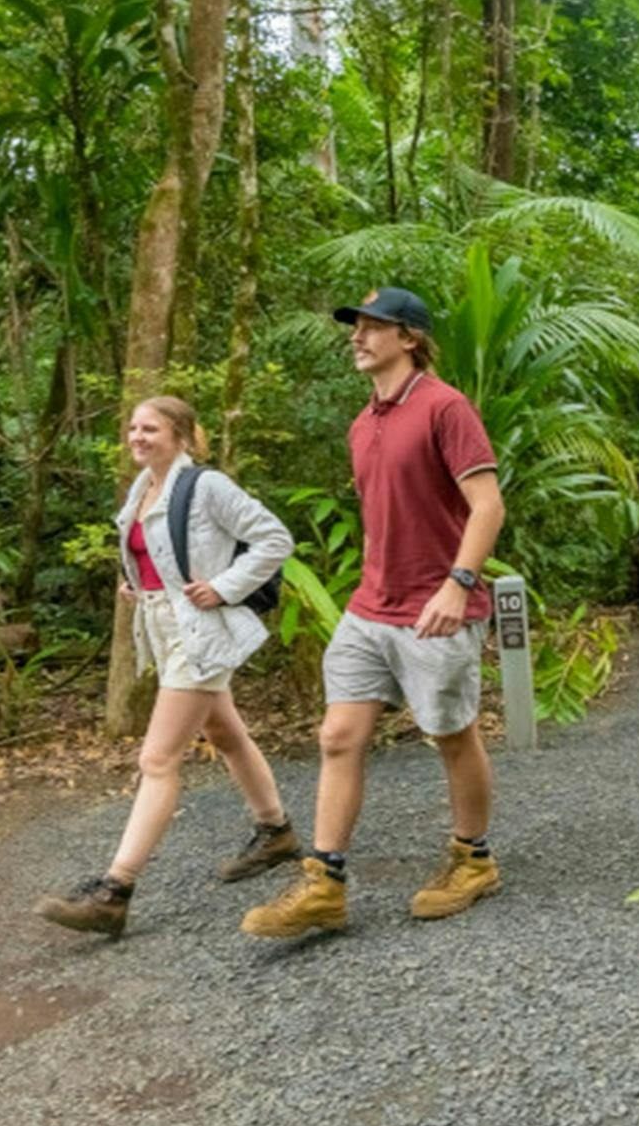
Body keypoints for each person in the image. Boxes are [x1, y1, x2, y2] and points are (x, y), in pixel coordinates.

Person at [242, 288, 506, 937]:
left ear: (410, 338)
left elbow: (488, 504)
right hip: (371, 607)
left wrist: (457, 584)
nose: (357, 337)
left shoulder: (445, 407)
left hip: (435, 607)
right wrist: (370, 583)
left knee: (450, 734)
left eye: (373, 328)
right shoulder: (364, 423)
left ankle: (473, 860)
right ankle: (323, 884)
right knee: (338, 736)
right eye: (355, 328)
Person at [36, 395, 298, 939]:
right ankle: (276, 832)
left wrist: (224, 588)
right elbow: (160, 555)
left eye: (149, 428)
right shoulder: (141, 491)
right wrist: (138, 584)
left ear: (180, 435)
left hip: (198, 634)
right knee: (224, 732)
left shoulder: (206, 487)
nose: (137, 436)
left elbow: (275, 539)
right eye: (132, 427)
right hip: (164, 629)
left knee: (158, 759)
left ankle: (116, 890)